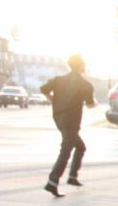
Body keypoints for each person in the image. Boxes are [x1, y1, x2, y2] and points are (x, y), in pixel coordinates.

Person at [41, 54, 97, 196]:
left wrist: (53, 100)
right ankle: (52, 182)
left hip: (59, 119)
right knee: (65, 151)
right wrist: (95, 103)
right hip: (72, 122)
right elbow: (90, 105)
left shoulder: (58, 80)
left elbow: (43, 89)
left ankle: (72, 177)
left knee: (80, 147)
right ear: (81, 66)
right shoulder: (85, 85)